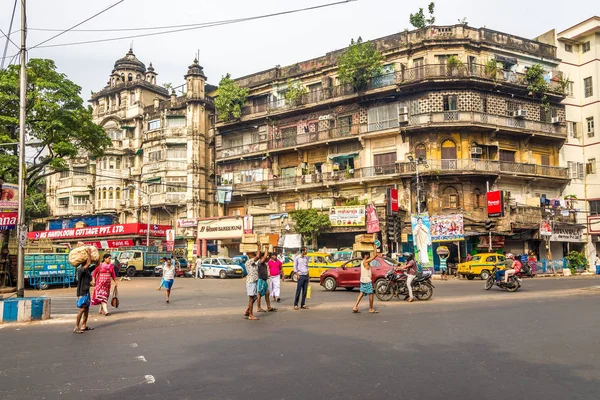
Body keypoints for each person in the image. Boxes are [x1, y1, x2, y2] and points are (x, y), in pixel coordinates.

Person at [352, 244, 379, 314]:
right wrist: (374, 246)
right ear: (365, 255)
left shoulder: (362, 262)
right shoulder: (366, 261)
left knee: (361, 294)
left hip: (362, 280)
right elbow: (375, 255)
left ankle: (355, 306)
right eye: (368, 254)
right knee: (371, 294)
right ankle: (371, 308)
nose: (369, 255)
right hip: (367, 280)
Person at [74, 249, 93, 334]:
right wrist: (89, 253)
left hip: (87, 291)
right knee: (81, 309)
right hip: (82, 292)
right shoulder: (80, 270)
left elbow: (97, 265)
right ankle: (76, 327)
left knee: (87, 309)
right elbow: (88, 263)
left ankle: (84, 325)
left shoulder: (87, 271)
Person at [244, 250, 262, 321]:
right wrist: (259, 247)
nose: (254, 254)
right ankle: (250, 315)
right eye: (253, 253)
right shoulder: (248, 262)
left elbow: (261, 258)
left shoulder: (254, 263)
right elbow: (257, 256)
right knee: (251, 298)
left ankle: (248, 310)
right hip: (251, 282)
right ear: (249, 254)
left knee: (254, 297)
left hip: (254, 281)